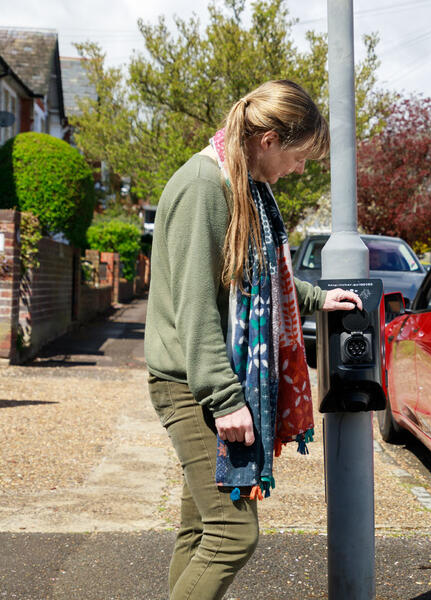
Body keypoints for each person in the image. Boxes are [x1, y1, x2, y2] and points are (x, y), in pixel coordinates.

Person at [145, 80, 360, 600]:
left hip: (205, 377)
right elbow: (196, 306)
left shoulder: (241, 187)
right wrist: (225, 399)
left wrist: (314, 298)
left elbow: (255, 276)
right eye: (299, 155)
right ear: (267, 140)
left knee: (200, 530)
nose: (300, 168)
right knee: (233, 534)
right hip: (195, 384)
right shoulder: (205, 187)